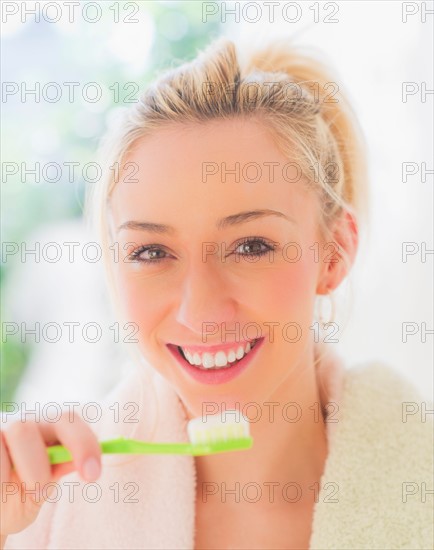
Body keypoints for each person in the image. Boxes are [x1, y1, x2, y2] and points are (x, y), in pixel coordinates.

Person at [1, 36, 432, 550]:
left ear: (334, 254)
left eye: (251, 246)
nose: (200, 311)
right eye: (152, 252)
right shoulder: (40, 516)